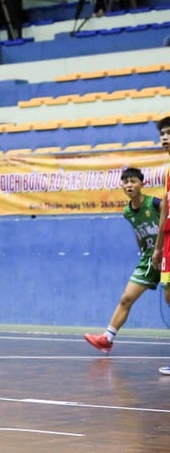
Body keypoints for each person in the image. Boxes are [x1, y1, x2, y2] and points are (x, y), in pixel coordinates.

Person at [84, 168, 162, 354]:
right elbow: (138, 231)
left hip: (164, 253)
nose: (129, 185)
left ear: (142, 184)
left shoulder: (155, 204)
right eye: (126, 182)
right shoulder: (128, 211)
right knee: (126, 298)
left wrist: (160, 249)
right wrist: (143, 249)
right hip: (148, 258)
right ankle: (107, 339)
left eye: (133, 181)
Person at [153, 117, 170, 375]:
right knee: (168, 296)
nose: (165, 138)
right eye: (162, 134)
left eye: (169, 133)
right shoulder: (168, 172)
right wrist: (158, 247)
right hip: (168, 241)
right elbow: (165, 208)